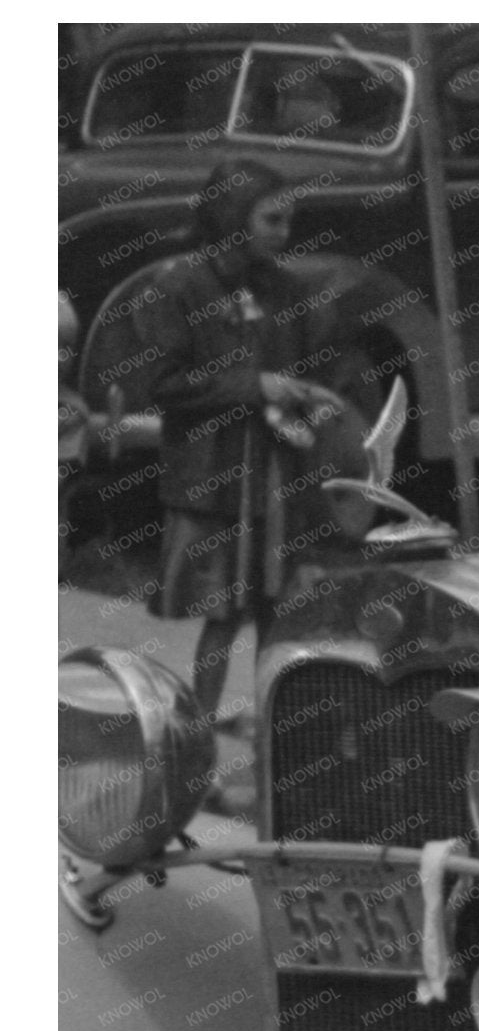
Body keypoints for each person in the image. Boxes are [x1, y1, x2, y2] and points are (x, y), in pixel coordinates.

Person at [122, 159, 379, 755]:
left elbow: (309, 363)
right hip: (213, 478)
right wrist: (255, 386)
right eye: (271, 217)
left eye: (288, 218)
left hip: (275, 475)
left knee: (275, 605)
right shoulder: (177, 287)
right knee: (221, 613)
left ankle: (273, 730)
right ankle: (198, 735)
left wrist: (313, 393)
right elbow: (164, 384)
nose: (283, 230)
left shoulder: (282, 287)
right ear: (231, 218)